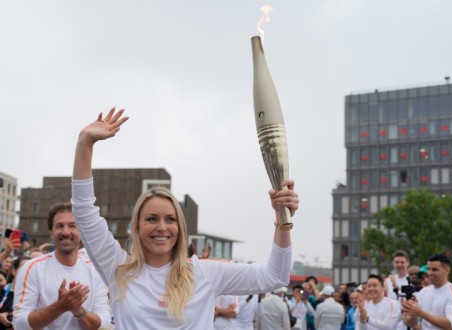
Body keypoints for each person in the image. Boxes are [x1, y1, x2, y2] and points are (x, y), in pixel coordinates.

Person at [71, 108, 299, 328]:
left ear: (180, 227)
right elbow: (84, 212)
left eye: (170, 219)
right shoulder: (118, 268)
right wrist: (85, 143)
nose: (162, 227)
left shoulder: (205, 273)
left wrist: (282, 219)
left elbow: (274, 276)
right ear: (137, 227)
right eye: (151, 219)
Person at [12, 202, 112, 330]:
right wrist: (60, 307)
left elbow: (105, 325)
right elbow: (19, 324)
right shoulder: (32, 268)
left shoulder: (96, 271)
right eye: (59, 226)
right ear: (51, 233)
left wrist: (79, 311)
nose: (66, 232)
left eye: (72, 226)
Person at [402, 254, 452, 330]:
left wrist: (420, 312)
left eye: (434, 269)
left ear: (447, 270)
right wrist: (410, 313)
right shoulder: (423, 292)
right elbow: (412, 324)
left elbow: (451, 325)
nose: (430, 273)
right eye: (428, 269)